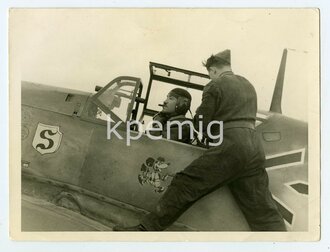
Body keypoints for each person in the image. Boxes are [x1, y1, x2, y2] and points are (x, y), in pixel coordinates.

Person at [113, 49, 286, 231]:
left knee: (184, 184)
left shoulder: (215, 85)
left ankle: (145, 230)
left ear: (213, 70)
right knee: (262, 208)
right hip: (254, 147)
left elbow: (202, 123)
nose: (210, 77)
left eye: (210, 74)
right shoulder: (248, 85)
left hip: (232, 145)